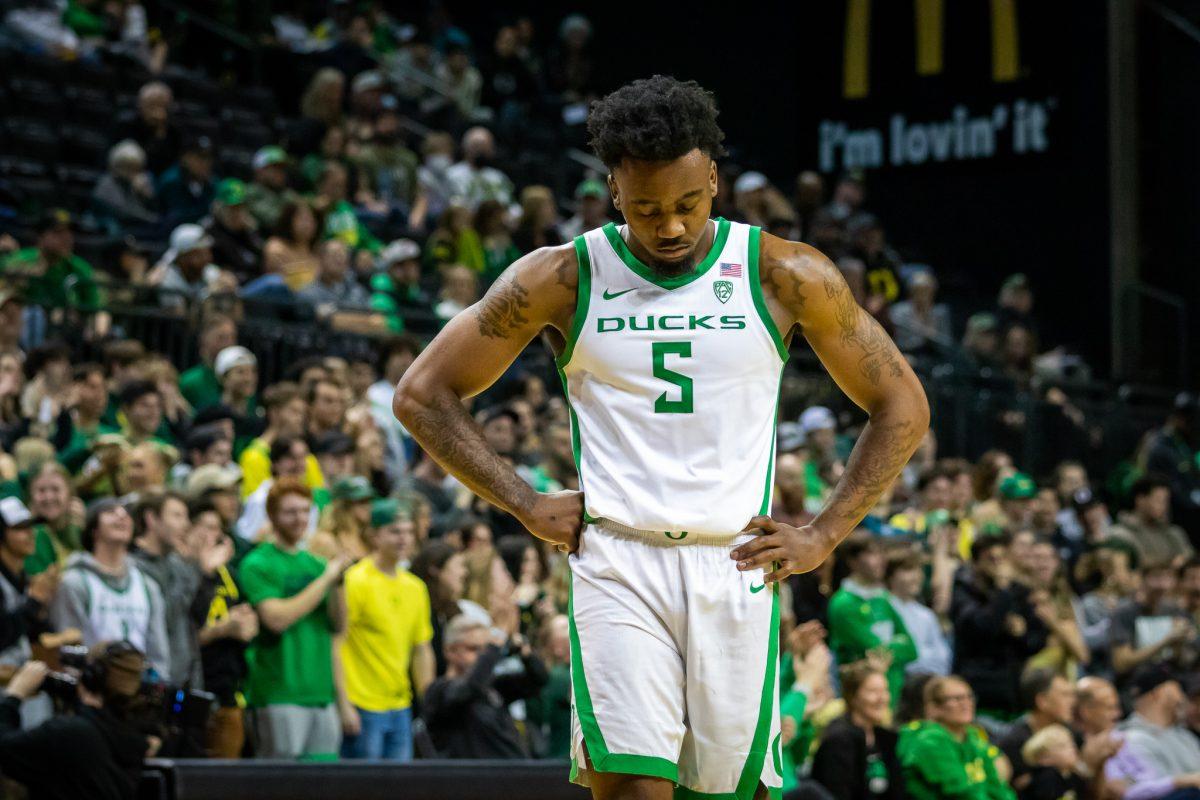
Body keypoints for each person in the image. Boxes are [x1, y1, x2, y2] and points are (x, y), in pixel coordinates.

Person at [393, 76, 929, 799]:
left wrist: (826, 532)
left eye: (686, 204)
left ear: (714, 176)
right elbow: (422, 395)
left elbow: (902, 403)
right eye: (646, 209)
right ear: (613, 188)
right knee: (632, 789)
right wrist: (521, 501)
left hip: (734, 563)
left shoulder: (785, 273)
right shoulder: (562, 276)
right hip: (618, 560)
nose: (669, 226)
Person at [239, 479, 349, 759]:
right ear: (272, 515)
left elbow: (338, 624)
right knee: (281, 784)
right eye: (290, 512)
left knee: (324, 784)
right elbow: (276, 619)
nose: (300, 519)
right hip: (278, 692)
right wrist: (326, 579)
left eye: (304, 511)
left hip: (321, 692)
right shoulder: (258, 563)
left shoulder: (314, 564)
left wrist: (338, 584)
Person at [337, 499, 434, 761]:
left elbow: (421, 648)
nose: (403, 539)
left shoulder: (416, 587)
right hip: (363, 704)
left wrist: (428, 702)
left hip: (401, 705)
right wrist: (344, 704)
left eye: (408, 531)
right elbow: (336, 642)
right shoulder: (356, 581)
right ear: (374, 535)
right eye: (395, 531)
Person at [0, 643, 157, 800]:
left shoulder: (70, 733)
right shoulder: (130, 734)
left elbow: (4, 748)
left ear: (89, 677)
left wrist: (15, 694)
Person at [50, 500, 170, 677]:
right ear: (94, 529)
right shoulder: (75, 582)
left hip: (138, 692)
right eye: (110, 511)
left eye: (125, 513)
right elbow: (68, 647)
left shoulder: (147, 585)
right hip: (91, 691)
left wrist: (155, 688)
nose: (121, 516)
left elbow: (158, 652)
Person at [422, 614, 548, 758]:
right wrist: (494, 647)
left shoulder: (493, 686)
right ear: (449, 651)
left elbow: (538, 679)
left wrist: (523, 651)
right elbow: (469, 688)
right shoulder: (438, 691)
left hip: (515, 773)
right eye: (473, 649)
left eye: (485, 649)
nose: (482, 656)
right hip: (473, 777)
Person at [950, 533, 1047, 716]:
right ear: (976, 563)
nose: (998, 565)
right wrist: (1002, 591)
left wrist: (1021, 635)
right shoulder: (964, 591)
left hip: (1013, 688)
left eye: (1002, 558)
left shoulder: (1019, 592)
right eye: (991, 559)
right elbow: (981, 629)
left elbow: (1038, 641)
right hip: (978, 688)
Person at [828, 534, 917, 701]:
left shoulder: (882, 598)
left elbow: (912, 649)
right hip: (863, 697)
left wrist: (888, 649)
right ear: (852, 561)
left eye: (881, 553)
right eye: (872, 554)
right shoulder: (843, 604)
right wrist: (897, 643)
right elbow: (875, 651)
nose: (881, 560)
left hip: (893, 692)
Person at [897, 675, 1016, 800]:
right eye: (957, 699)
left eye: (969, 697)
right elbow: (960, 792)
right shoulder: (929, 741)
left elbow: (996, 785)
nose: (966, 703)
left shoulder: (972, 737)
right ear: (934, 707)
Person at [810, 662, 905, 800]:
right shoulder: (838, 741)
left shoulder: (885, 738)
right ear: (852, 696)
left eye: (885, 690)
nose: (882, 698)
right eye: (873, 691)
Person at [0, 209, 102, 315]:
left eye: (70, 232)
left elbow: (92, 309)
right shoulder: (20, 259)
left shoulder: (79, 268)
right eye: (58, 232)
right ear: (41, 236)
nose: (67, 238)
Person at [1110, 561, 1195, 681]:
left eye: (1168, 577)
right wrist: (1166, 640)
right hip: (1133, 682)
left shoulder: (1173, 609)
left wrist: (1181, 643)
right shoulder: (1124, 612)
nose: (1163, 585)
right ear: (1142, 579)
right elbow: (1121, 663)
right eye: (1157, 577)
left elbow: (1182, 659)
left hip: (1168, 677)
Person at [1118, 665, 1200, 790]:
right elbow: (1152, 790)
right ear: (1158, 693)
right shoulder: (1129, 738)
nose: (1182, 698)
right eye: (1178, 688)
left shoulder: (1185, 735)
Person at [996, 669, 1078, 793]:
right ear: (1042, 701)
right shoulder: (1013, 744)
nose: (1073, 702)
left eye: (1072, 695)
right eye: (1065, 695)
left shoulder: (1071, 733)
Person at [885, 553, 952, 676]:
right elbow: (895, 655)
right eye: (908, 570)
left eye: (918, 570)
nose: (917, 577)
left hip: (927, 682)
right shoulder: (883, 608)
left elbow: (943, 657)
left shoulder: (926, 614)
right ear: (890, 576)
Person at [1109, 476, 1195, 568]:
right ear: (1140, 500)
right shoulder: (1120, 534)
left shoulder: (1173, 532)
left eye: (1165, 501)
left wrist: (1184, 560)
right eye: (1158, 500)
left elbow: (1189, 556)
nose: (1164, 506)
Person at [204, 179, 264, 283]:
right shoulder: (211, 233)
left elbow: (259, 259)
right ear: (218, 207)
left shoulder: (249, 228)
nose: (237, 213)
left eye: (240, 207)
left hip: (256, 281)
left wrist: (250, 232)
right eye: (232, 208)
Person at [178, 314, 238, 412]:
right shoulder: (189, 381)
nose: (229, 343)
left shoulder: (242, 381)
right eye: (221, 338)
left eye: (232, 337)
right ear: (205, 340)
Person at [445, 127, 515, 210]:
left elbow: (510, 204)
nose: (481, 151)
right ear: (465, 148)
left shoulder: (498, 177)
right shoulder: (452, 175)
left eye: (486, 146)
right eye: (476, 146)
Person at [245, 146, 300, 231]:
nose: (280, 173)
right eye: (275, 168)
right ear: (259, 170)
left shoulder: (286, 193)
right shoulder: (250, 193)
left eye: (283, 169)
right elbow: (273, 219)